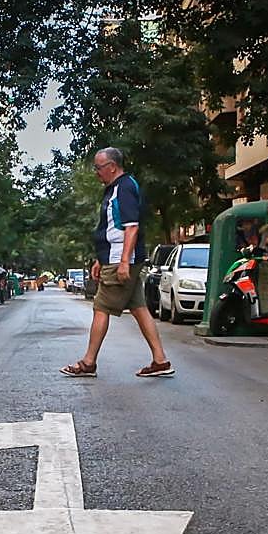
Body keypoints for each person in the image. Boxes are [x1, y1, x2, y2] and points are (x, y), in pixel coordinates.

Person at [60, 147, 174, 378]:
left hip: (121, 260)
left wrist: (122, 262)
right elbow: (110, 230)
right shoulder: (114, 189)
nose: (96, 173)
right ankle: (160, 360)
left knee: (101, 308)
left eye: (98, 168)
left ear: (112, 166)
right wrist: (99, 260)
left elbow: (131, 227)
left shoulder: (124, 188)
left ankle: (89, 362)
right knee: (139, 308)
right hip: (114, 258)